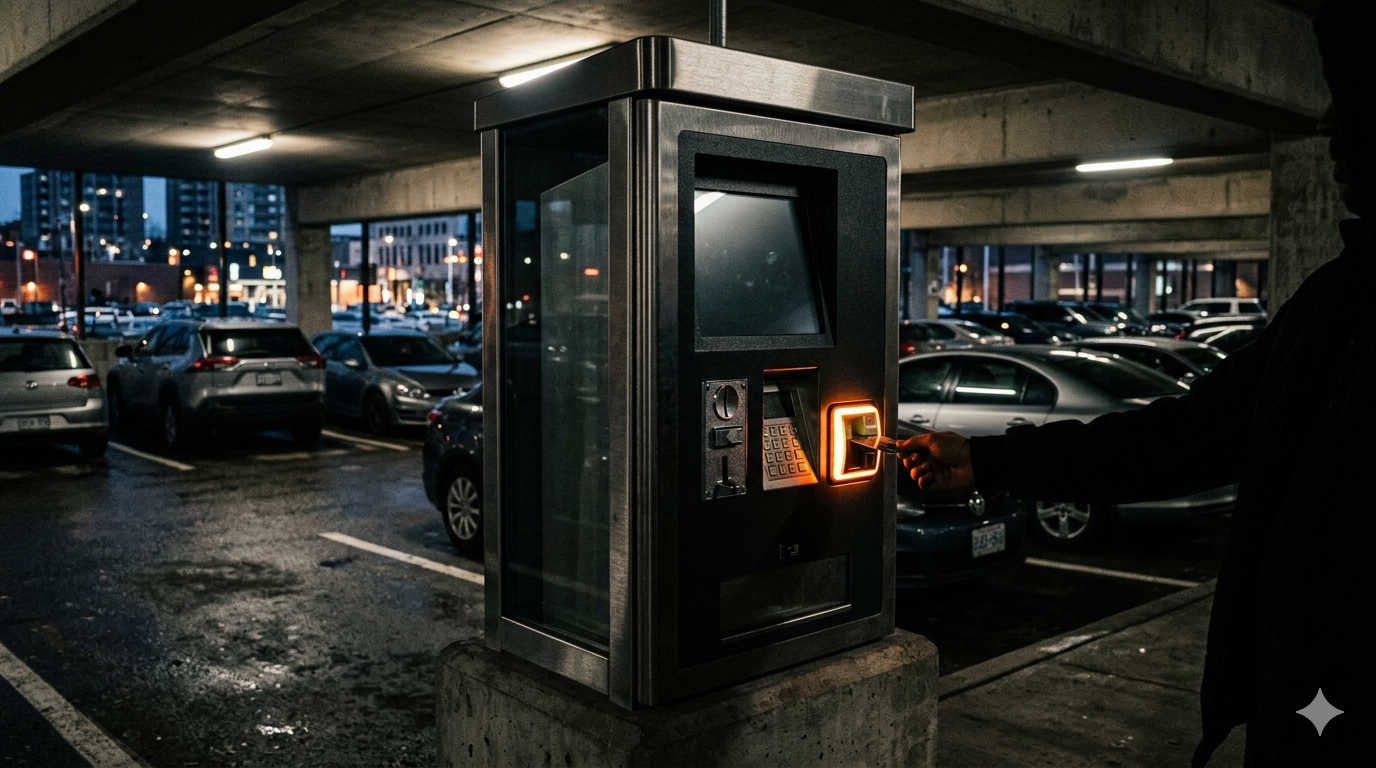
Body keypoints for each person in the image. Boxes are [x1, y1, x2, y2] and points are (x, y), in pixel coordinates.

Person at [897, 2, 1374, 764]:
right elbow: (1189, 437)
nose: (1322, 123)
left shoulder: (1348, 307)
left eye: (1350, 96)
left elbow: (1190, 441)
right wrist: (990, 462)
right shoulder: (1336, 301)